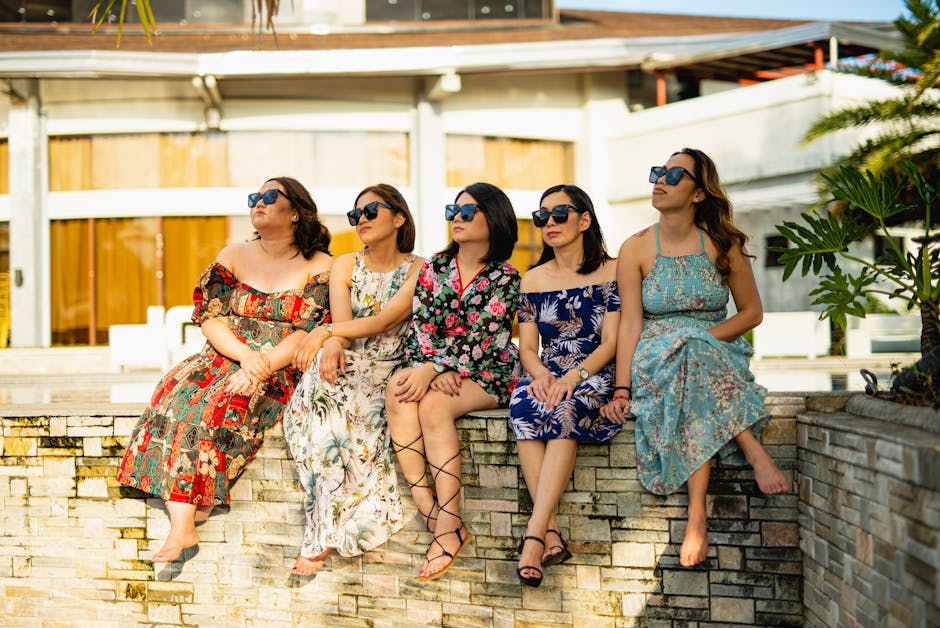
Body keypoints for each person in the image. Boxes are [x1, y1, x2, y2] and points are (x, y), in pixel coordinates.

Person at [117, 177, 332, 563]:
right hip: (224, 354)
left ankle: (189, 519)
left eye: (270, 197)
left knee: (221, 404)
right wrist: (244, 356)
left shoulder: (321, 266)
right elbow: (210, 318)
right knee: (176, 394)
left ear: (296, 211)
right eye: (255, 198)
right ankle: (184, 526)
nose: (259, 203)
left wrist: (259, 366)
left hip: (279, 366)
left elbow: (308, 331)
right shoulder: (233, 254)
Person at [599, 148, 790, 568]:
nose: (659, 180)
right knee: (686, 353)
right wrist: (622, 387)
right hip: (656, 355)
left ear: (700, 193)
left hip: (717, 349)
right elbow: (630, 325)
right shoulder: (635, 249)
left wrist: (701, 338)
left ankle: (697, 517)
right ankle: (750, 456)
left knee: (693, 353)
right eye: (657, 172)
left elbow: (751, 313)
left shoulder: (723, 244)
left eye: (672, 174)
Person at [282, 184, 423, 577]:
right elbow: (345, 328)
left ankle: (321, 532)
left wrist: (325, 334)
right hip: (352, 361)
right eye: (355, 214)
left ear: (398, 217)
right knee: (320, 396)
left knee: (330, 406)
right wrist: (332, 343)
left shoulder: (419, 269)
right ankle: (324, 526)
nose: (360, 219)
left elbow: (385, 321)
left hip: (391, 367)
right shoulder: (344, 264)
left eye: (371, 211)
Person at [385, 182, 521, 582]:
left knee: (434, 405)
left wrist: (439, 370)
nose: (457, 218)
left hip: (488, 370)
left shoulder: (506, 276)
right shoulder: (434, 268)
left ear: (494, 217)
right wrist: (430, 367)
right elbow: (423, 326)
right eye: (453, 211)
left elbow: (487, 337)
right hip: (434, 365)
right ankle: (429, 508)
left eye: (468, 211)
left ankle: (450, 522)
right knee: (398, 391)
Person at [509, 184, 622, 587]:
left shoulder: (612, 271)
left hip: (594, 371)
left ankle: (534, 535)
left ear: (585, 220)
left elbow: (611, 342)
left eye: (559, 214)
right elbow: (526, 347)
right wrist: (540, 375)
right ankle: (550, 531)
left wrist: (575, 377)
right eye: (542, 217)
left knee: (564, 408)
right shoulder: (533, 279)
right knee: (523, 404)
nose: (549, 223)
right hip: (547, 371)